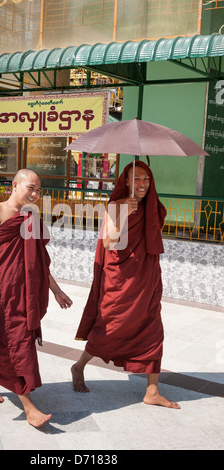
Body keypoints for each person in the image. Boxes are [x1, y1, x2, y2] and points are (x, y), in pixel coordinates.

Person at [71, 160, 180, 409]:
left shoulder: (152, 206)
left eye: (146, 179)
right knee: (108, 328)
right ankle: (78, 366)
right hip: (120, 279)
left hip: (146, 275)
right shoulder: (116, 206)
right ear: (127, 181)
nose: (142, 184)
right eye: (137, 179)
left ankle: (152, 391)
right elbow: (109, 242)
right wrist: (122, 214)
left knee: (153, 329)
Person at [0, 168, 73, 427]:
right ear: (15, 185)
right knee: (16, 345)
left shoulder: (31, 217)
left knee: (4, 341)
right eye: (31, 187)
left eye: (39, 190)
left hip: (25, 294)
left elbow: (38, 262)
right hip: (1, 294)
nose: (35, 194)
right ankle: (29, 408)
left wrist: (56, 289)